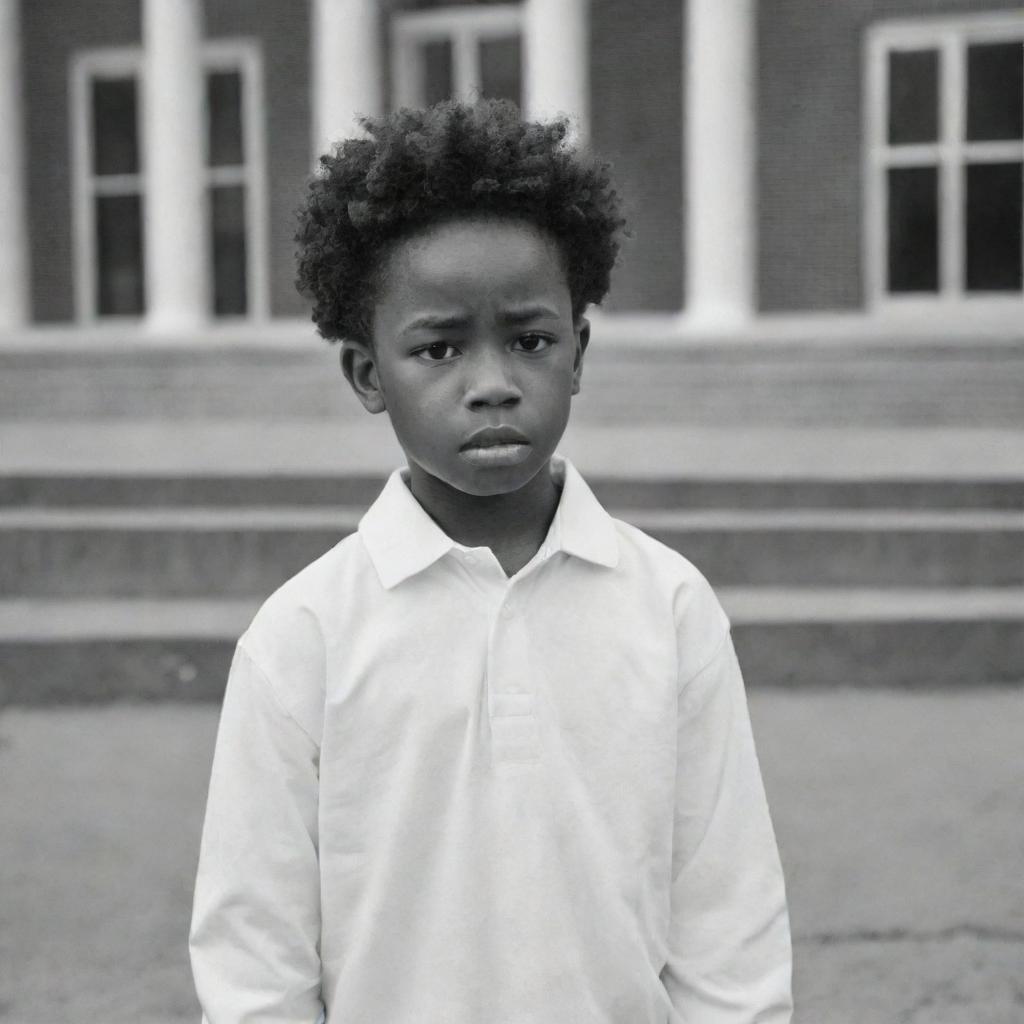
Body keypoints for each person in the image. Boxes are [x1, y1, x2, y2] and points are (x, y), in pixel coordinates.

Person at [189, 99, 792, 1023]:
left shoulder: (669, 606)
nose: (493, 382)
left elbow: (729, 921)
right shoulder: (303, 636)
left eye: (530, 339)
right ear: (365, 374)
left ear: (579, 351)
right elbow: (254, 956)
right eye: (438, 348)